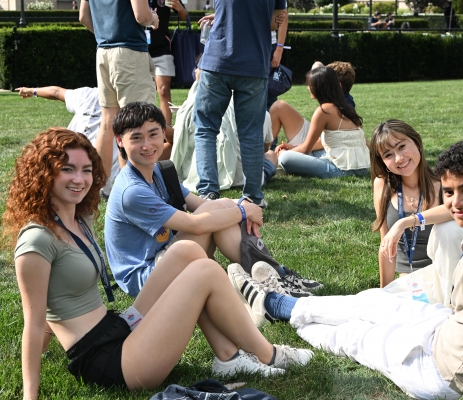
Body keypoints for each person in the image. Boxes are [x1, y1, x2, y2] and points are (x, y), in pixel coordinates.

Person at [229, 139, 463, 399]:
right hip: (450, 333)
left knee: (354, 337)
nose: (456, 202)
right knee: (373, 303)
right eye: (450, 191)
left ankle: (281, 312)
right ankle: (277, 303)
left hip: (448, 372)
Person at [3, 128, 314, 399]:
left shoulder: (74, 219)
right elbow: (34, 320)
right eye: (67, 169)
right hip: (108, 362)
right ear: (45, 174)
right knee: (205, 270)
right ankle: (269, 355)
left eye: (86, 170)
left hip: (116, 328)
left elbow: (55, 306)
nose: (80, 179)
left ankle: (228, 356)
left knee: (187, 253)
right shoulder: (37, 240)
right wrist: (31, 396)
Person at [105, 102, 321, 298]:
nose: (147, 144)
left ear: (163, 133)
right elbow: (195, 225)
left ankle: (275, 275)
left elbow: (200, 204)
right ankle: (275, 278)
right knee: (218, 215)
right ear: (119, 141)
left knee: (221, 207)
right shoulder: (131, 191)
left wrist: (241, 205)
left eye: (153, 134)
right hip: (146, 280)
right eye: (136, 138)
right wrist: (244, 212)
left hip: (165, 258)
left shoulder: (159, 171)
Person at [193, 0, 286, 205]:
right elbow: (273, 23)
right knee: (251, 134)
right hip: (253, 65)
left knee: (205, 129)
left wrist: (222, 18)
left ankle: (208, 193)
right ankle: (252, 197)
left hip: (217, 61)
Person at [170, 62, 279, 193]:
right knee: (271, 155)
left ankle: (209, 188)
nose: (195, 72)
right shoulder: (261, 113)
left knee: (201, 138)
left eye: (198, 68)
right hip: (246, 180)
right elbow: (262, 150)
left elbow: (176, 139)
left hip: (208, 177)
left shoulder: (198, 108)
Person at [79, 0, 157, 180]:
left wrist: (106, 36)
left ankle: (97, 189)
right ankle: (133, 187)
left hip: (103, 51)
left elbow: (83, 17)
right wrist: (153, 18)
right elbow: (142, 15)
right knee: (139, 121)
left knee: (107, 122)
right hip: (130, 53)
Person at [370, 120, 443, 286]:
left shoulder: (443, 182)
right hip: (410, 280)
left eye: (401, 146)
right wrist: (385, 291)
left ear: (417, 143)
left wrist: (406, 222)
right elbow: (386, 245)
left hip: (444, 274)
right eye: (388, 155)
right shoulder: (382, 185)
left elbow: (453, 210)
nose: (399, 158)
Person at [15, 85, 119, 197]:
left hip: (63, 160)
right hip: (94, 178)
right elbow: (55, 92)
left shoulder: (89, 95)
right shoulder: (132, 102)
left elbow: (56, 92)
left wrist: (31, 91)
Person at [273, 66, 370, 179]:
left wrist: (280, 155)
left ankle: (271, 160)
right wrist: (292, 147)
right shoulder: (346, 107)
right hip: (360, 168)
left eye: (311, 85)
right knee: (298, 154)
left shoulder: (324, 110)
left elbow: (305, 149)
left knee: (285, 158)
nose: (308, 88)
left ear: (320, 87)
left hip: (342, 169)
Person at [150, 0, 188, 129]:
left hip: (162, 49)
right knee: (142, 93)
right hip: (138, 48)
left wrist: (178, 6)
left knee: (164, 90)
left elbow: (184, 15)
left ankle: (166, 132)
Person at [267, 8, 288, 110]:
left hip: (268, 46)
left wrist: (279, 49)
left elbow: (283, 16)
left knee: (269, 90)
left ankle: (271, 125)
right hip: (243, 45)